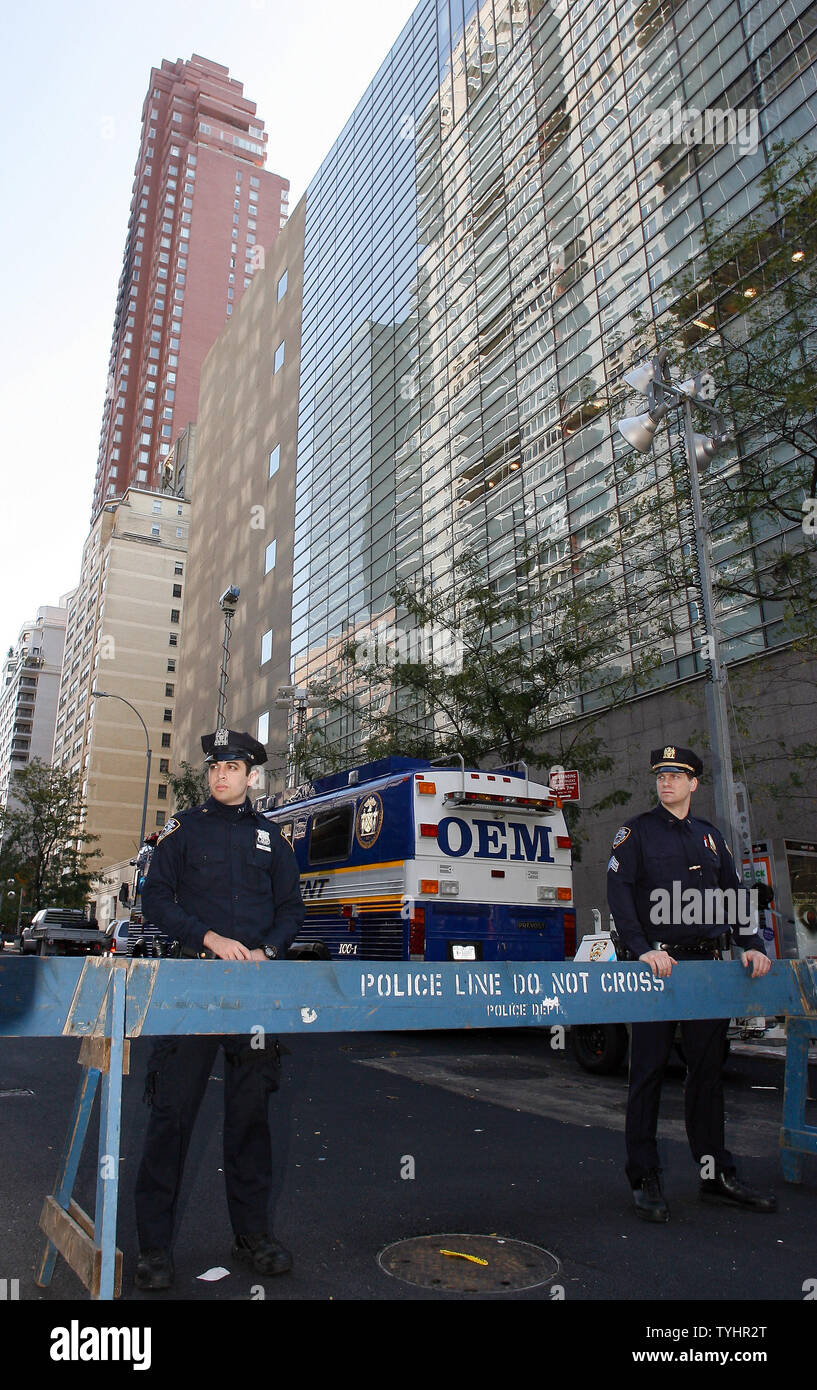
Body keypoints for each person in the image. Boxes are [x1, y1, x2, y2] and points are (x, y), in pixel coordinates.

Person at [133, 728, 305, 1290]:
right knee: (172, 1115)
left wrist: (269, 949)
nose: (220, 774)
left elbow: (290, 907)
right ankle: (154, 1247)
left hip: (252, 994)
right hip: (193, 987)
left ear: (252, 776)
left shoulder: (272, 839)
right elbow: (155, 897)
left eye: (232, 766)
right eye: (214, 766)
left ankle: (253, 1234)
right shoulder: (184, 830)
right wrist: (207, 936)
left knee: (251, 1115)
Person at [606, 743, 776, 1223]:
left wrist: (751, 944)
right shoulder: (635, 833)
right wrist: (642, 949)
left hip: (705, 970)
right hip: (656, 968)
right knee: (648, 1073)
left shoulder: (709, 837)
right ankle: (644, 1175)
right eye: (661, 775)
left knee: (706, 1075)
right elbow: (619, 893)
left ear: (693, 783)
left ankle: (714, 1174)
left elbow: (732, 895)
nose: (666, 782)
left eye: (677, 776)